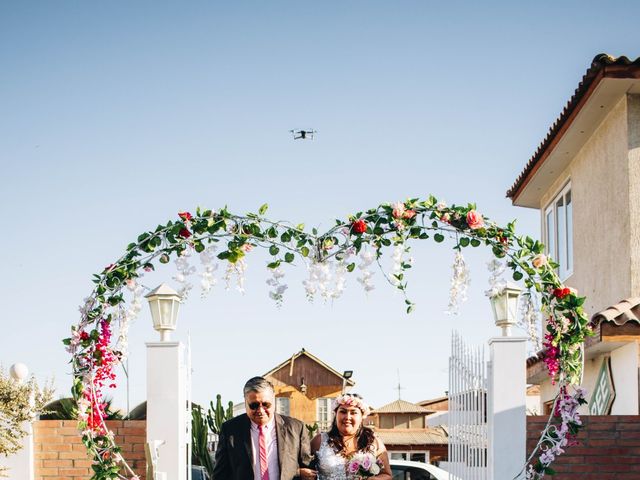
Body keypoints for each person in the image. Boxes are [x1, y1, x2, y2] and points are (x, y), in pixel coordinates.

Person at [212, 376, 317, 480]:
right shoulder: (230, 430)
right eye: (254, 405)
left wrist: (298, 473)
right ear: (245, 402)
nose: (260, 410)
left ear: (274, 400)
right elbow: (220, 474)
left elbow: (307, 470)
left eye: (266, 404)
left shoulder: (296, 428)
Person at [311, 393, 392, 480]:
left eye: (353, 412)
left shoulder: (373, 442)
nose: (347, 417)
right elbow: (303, 470)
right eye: (343, 412)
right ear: (335, 414)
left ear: (362, 417)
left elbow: (387, 475)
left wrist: (373, 479)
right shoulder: (319, 441)